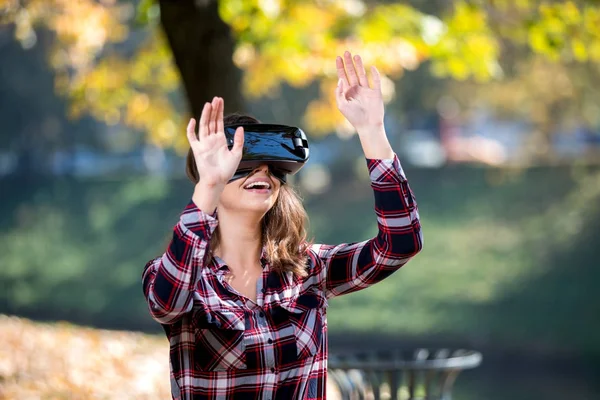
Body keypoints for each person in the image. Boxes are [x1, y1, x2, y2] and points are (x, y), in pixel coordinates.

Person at [142, 51, 423, 400]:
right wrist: (209, 185)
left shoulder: (309, 270)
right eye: (244, 164)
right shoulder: (180, 278)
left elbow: (401, 243)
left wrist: (372, 131)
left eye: (272, 166)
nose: (262, 172)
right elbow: (166, 304)